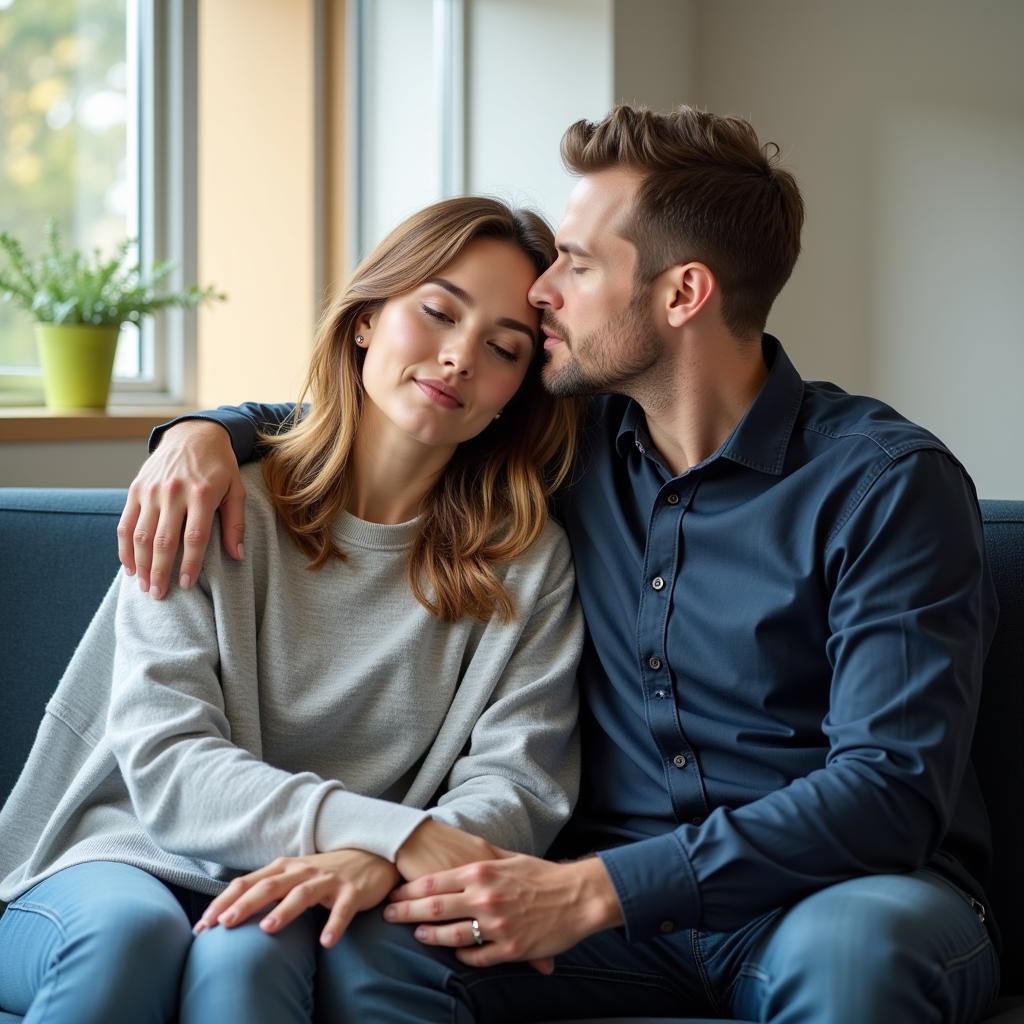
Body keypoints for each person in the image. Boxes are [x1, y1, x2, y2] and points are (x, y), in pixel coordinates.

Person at [113, 105, 1000, 1023]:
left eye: (576, 264)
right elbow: (393, 399)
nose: (542, 293)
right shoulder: (568, 442)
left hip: (842, 896)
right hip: (595, 909)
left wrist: (595, 892)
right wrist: (202, 434)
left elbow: (889, 791)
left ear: (682, 294)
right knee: (372, 945)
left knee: (855, 954)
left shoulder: (886, 483)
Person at [0, 197, 586, 1024]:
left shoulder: (527, 561)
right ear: (365, 321)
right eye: (436, 311)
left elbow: (519, 784)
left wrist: (384, 854)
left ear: (516, 393)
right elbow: (168, 767)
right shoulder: (208, 496)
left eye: (501, 348)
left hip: (327, 880)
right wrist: (398, 835)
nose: (458, 358)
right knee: (131, 939)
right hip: (118, 854)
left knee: (251, 953)